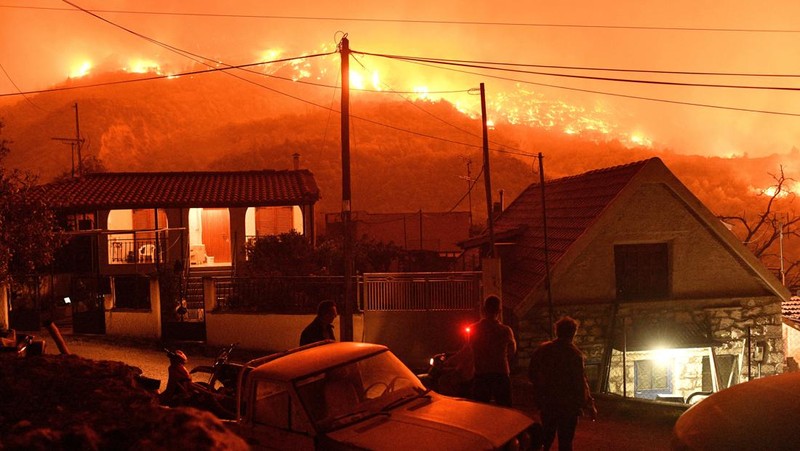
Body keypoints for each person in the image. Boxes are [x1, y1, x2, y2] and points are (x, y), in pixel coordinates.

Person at [528, 316, 597, 451]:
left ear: (556, 331)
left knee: (545, 439)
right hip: (568, 406)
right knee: (565, 442)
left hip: (547, 402)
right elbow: (580, 382)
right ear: (573, 333)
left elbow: (532, 374)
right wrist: (589, 404)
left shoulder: (542, 350)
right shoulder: (575, 355)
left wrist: (540, 391)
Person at [469, 295, 517, 407]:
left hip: (481, 373)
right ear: (499, 311)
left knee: (481, 409)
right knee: (505, 409)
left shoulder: (474, 329)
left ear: (483, 310)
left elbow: (470, 348)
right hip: (501, 372)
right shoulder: (505, 330)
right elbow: (512, 351)